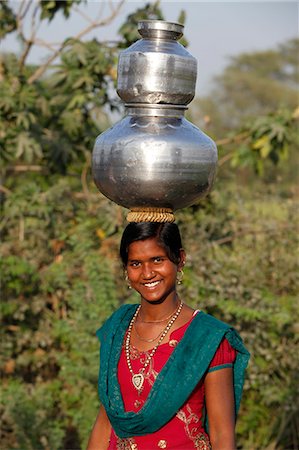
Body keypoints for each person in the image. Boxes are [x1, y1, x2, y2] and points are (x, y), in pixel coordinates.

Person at [87, 222, 250, 450]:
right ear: (126, 269)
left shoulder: (207, 337)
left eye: (157, 260)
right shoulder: (118, 328)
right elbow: (106, 421)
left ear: (180, 259)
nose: (147, 273)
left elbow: (222, 434)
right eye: (135, 263)